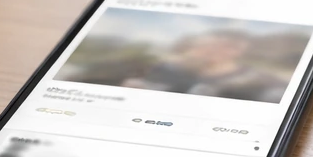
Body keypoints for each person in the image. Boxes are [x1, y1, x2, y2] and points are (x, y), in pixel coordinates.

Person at [122, 30, 287, 102]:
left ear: (238, 51)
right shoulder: (166, 70)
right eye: (204, 45)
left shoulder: (263, 82)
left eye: (226, 46)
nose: (211, 51)